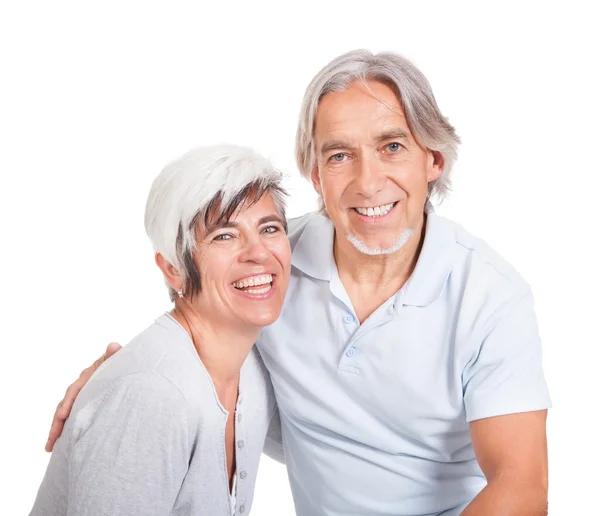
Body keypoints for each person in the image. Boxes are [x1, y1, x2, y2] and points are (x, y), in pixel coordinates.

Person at [47, 50, 551, 515]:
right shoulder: (272, 265)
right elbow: (201, 300)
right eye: (339, 156)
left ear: (433, 161)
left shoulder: (492, 298)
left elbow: (522, 485)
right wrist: (120, 383)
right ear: (315, 174)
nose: (368, 181)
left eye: (391, 146)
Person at [31, 144, 291, 515]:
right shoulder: (153, 397)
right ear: (173, 269)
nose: (259, 252)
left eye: (269, 228)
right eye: (224, 236)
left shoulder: (251, 368)